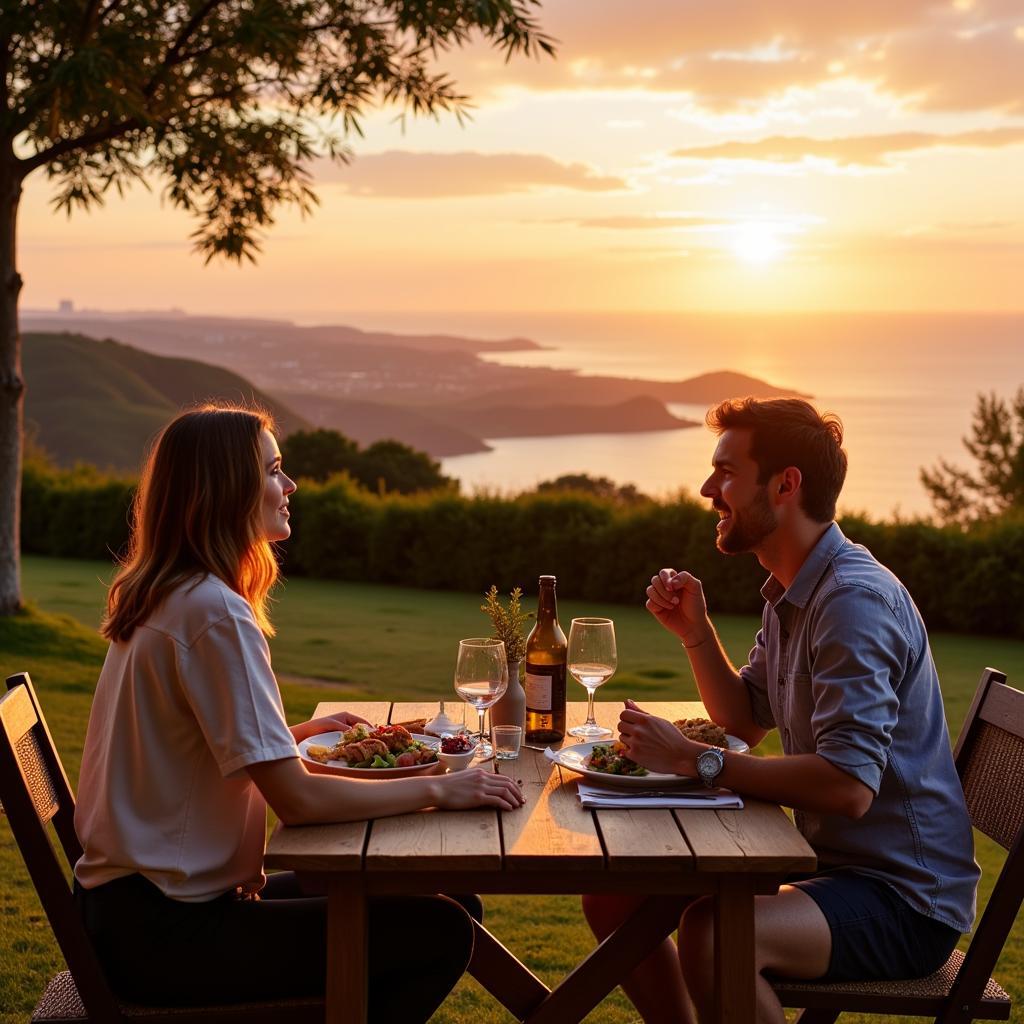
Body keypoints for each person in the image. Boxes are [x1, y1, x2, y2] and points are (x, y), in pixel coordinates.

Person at [73, 404, 524, 1021]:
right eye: (273, 470)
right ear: (227, 488)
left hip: (128, 913)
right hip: (169, 934)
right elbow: (300, 802)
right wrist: (440, 790)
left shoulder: (167, 594)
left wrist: (290, 737)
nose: (289, 486)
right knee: (437, 929)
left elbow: (188, 748)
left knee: (444, 903)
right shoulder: (212, 612)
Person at [582, 397, 979, 1024]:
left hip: (905, 899)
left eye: (726, 472)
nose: (708, 488)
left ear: (786, 484)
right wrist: (696, 632)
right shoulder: (795, 592)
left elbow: (849, 787)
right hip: (834, 871)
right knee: (616, 901)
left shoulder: (853, 602)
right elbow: (744, 718)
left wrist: (695, 760)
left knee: (717, 936)